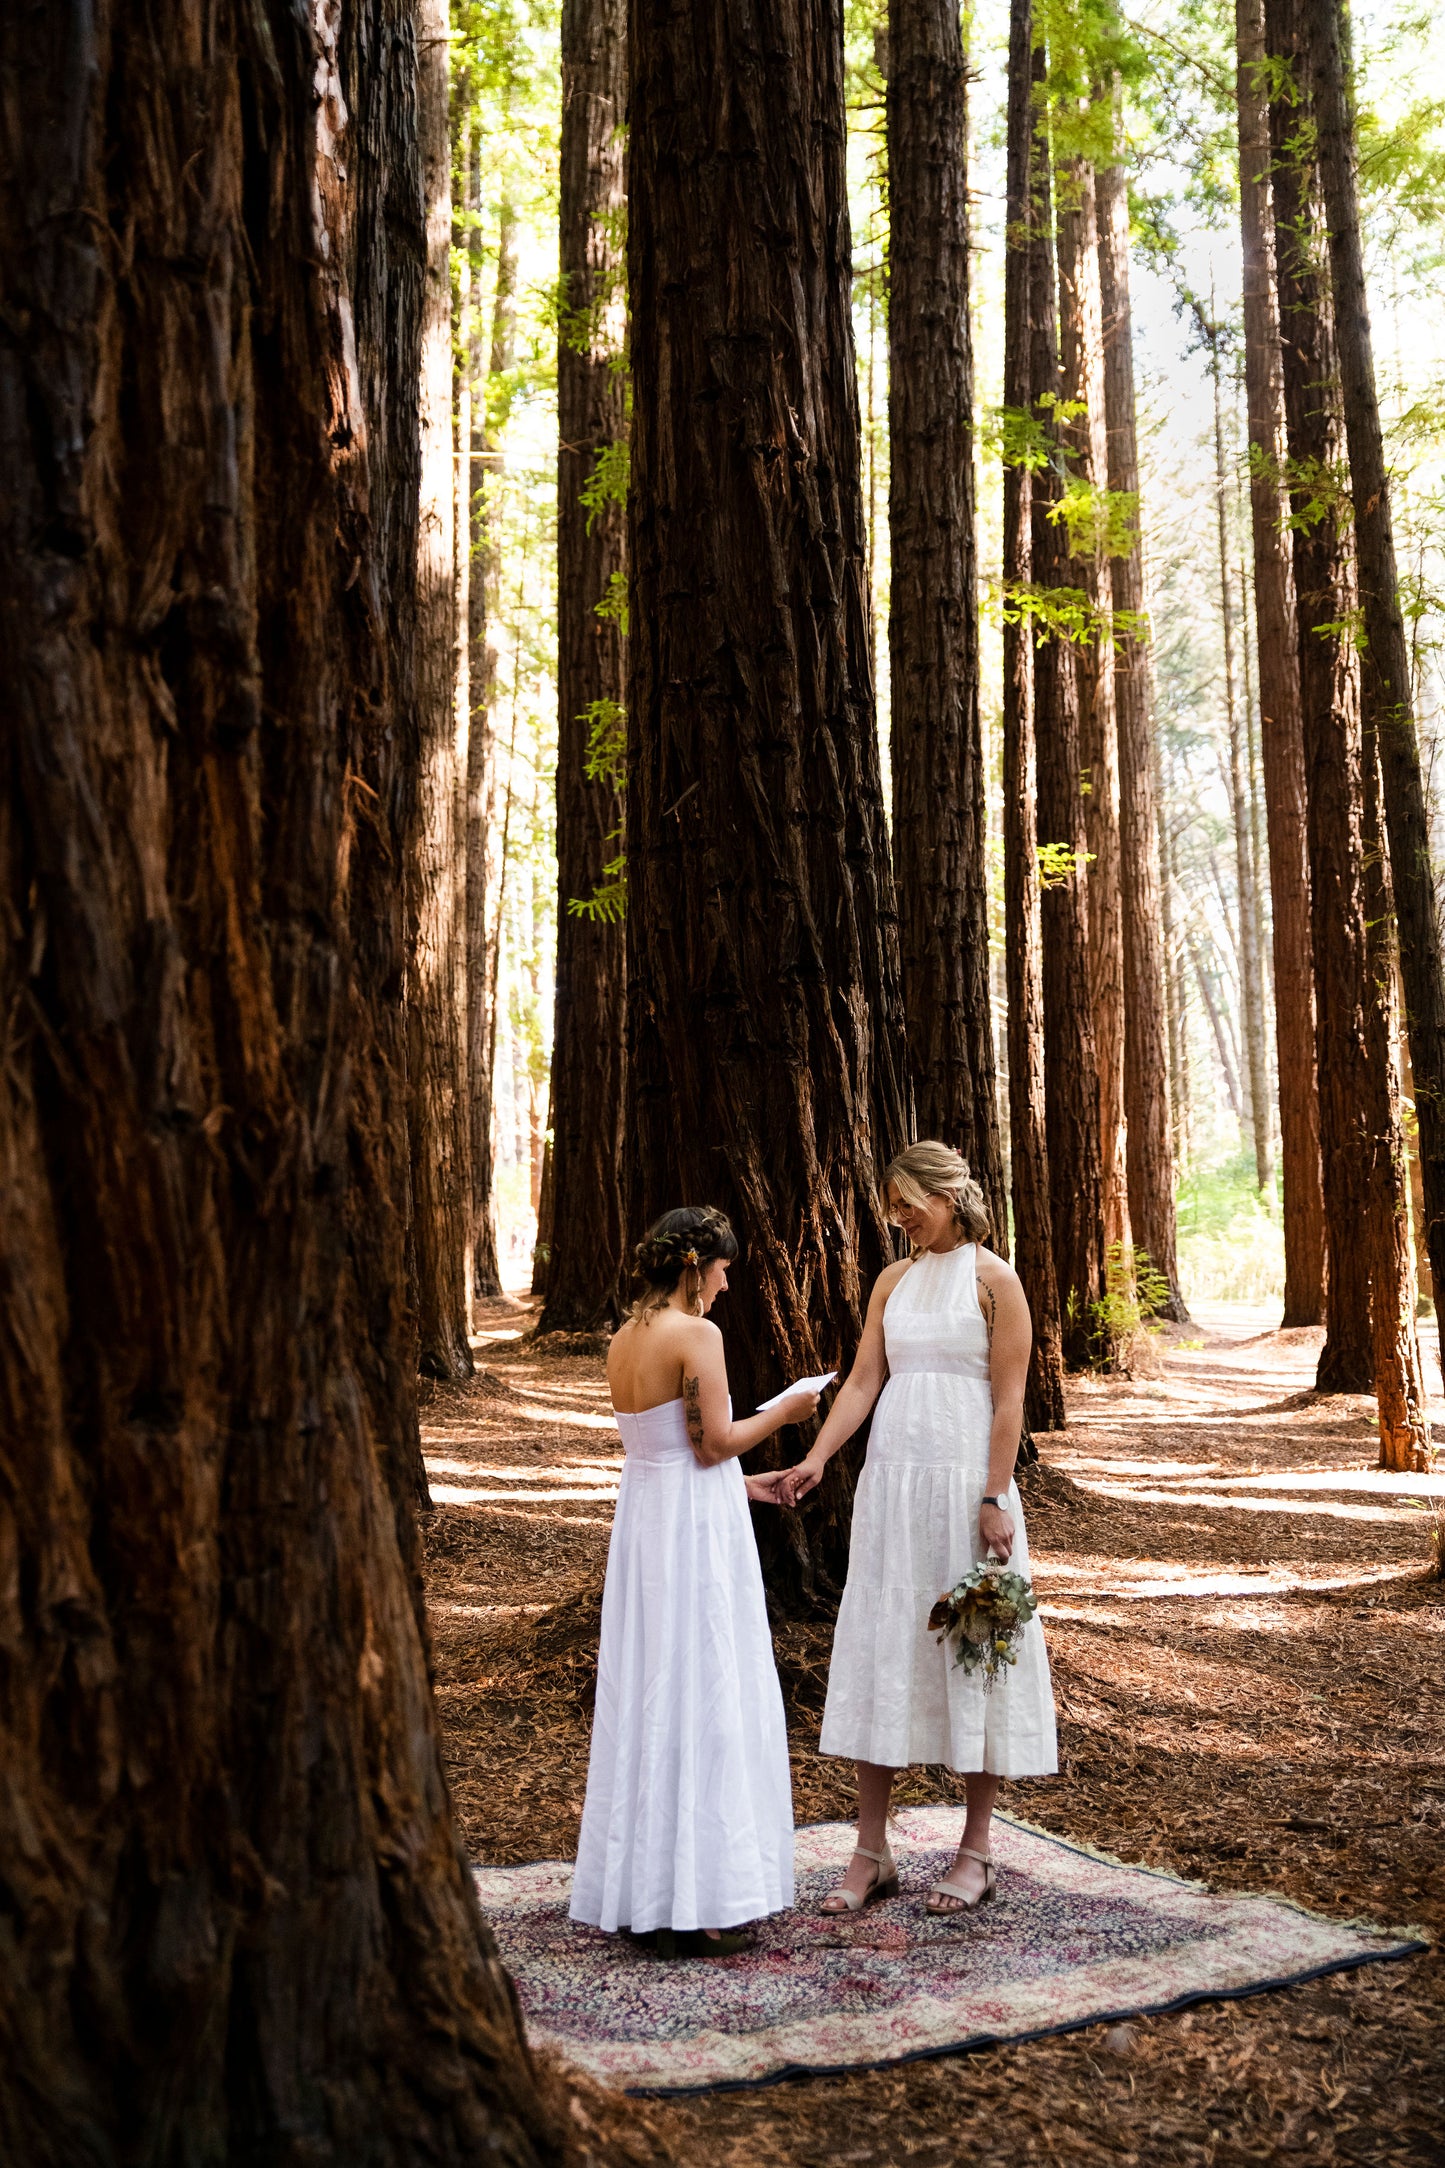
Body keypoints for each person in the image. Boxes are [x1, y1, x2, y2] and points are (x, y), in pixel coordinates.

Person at [781, 1141, 1057, 1917]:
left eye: (911, 1202)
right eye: (892, 1204)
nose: (900, 1217)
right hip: (894, 1491)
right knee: (884, 1648)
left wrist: (994, 1495)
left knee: (976, 1651)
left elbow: (1008, 1402)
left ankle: (975, 1851)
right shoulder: (891, 1281)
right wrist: (817, 1458)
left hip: (966, 1487)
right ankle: (871, 1851)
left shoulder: (994, 1280)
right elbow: (866, 1378)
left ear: (949, 1197)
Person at [569, 1205, 820, 1958]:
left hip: (649, 1520)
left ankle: (646, 1889)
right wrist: (787, 1409)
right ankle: (703, 1898)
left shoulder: (626, 1336)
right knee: (706, 1681)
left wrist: (750, 1485)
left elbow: (667, 1453)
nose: (726, 1282)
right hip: (694, 1536)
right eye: (721, 1267)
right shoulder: (695, 1334)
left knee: (653, 1686)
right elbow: (713, 1445)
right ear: (692, 1265)